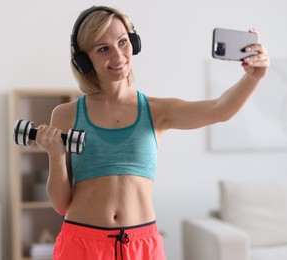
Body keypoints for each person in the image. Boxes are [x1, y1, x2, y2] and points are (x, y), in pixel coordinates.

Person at [35, 5, 270, 260]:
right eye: (103, 49)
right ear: (84, 60)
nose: (118, 56)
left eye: (123, 42)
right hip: (81, 243)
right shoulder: (66, 114)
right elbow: (60, 204)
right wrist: (56, 156)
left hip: (141, 245)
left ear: (134, 42)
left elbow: (219, 109)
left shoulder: (157, 111)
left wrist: (253, 78)